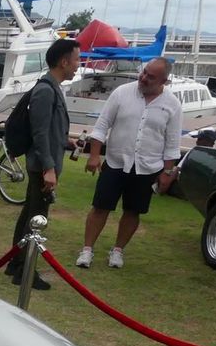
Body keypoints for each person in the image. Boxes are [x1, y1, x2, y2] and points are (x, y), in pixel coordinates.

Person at [75, 56, 182, 269]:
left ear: (164, 81)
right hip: (115, 161)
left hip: (147, 166)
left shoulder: (173, 105)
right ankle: (87, 250)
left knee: (133, 211)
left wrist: (167, 172)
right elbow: (102, 126)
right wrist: (95, 156)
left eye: (150, 77)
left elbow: (172, 143)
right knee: (100, 206)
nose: (143, 78)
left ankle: (117, 251)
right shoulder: (122, 93)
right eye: (144, 72)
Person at [6, 37, 80, 290]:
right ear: (63, 61)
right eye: (76, 59)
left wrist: (64, 140)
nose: (78, 65)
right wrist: (49, 168)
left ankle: (15, 263)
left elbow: (47, 129)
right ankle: (25, 269)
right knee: (36, 218)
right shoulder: (46, 91)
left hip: (43, 162)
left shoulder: (51, 88)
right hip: (41, 166)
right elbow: (38, 133)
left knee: (29, 213)